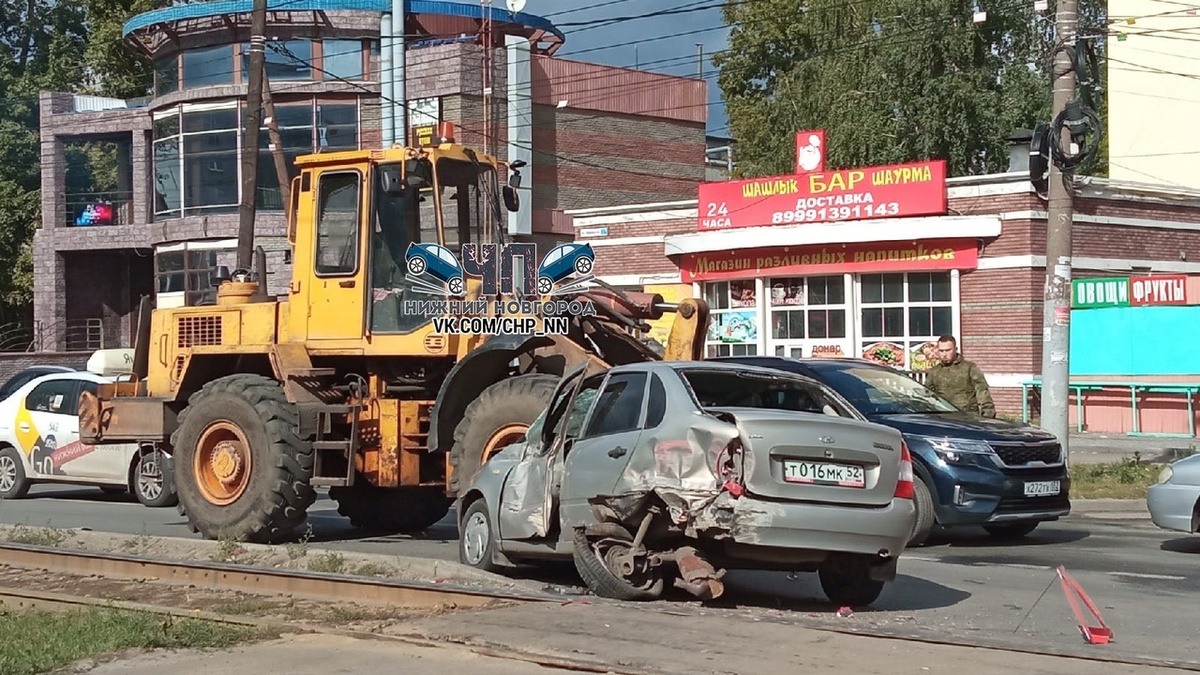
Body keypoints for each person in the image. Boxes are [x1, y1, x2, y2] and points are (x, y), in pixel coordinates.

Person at [925, 335, 996, 418]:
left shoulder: (969, 368)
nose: (944, 354)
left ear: (955, 349)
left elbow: (982, 392)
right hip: (943, 418)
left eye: (948, 350)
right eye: (941, 351)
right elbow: (927, 395)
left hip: (968, 418)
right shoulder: (934, 371)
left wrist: (988, 416)